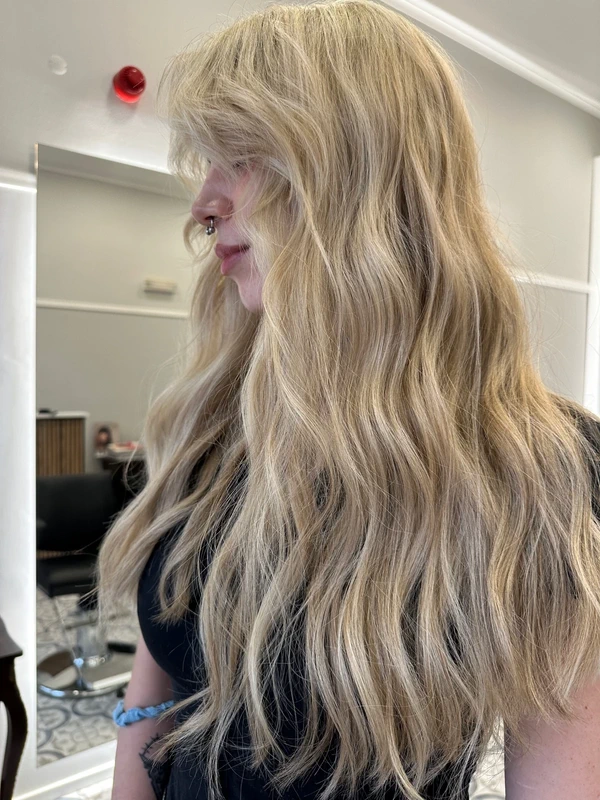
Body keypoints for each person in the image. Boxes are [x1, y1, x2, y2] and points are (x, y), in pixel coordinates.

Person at [98, 1, 600, 798]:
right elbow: (157, 683)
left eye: (240, 158)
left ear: (356, 177)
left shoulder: (545, 474)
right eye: (207, 163)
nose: (203, 205)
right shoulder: (213, 426)